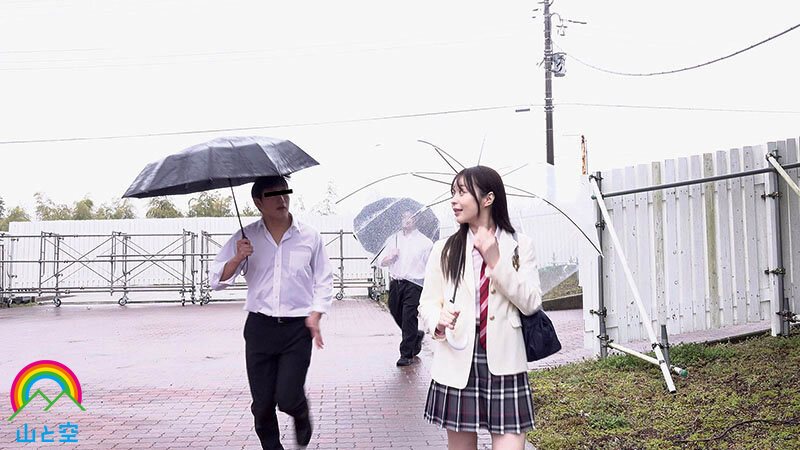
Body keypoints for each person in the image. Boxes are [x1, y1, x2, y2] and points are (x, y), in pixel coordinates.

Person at [418, 166, 542, 450]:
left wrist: (495, 260)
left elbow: (531, 302)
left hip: (506, 359)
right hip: (458, 356)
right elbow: (428, 302)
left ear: (488, 198)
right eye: (453, 192)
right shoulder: (445, 249)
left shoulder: (520, 246)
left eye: (462, 192)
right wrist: (438, 319)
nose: (454, 200)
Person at [209, 176, 333, 450]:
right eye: (273, 194)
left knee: (288, 397)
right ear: (258, 202)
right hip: (260, 328)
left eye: (285, 193)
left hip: (297, 329)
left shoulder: (310, 236)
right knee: (262, 405)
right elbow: (216, 280)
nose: (282, 199)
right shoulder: (245, 237)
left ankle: (300, 412)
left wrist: (316, 314)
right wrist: (237, 258)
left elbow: (324, 279)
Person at [380, 210, 434, 367]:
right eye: (404, 216)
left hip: (414, 283)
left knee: (409, 316)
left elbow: (430, 266)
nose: (407, 219)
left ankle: (406, 354)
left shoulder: (425, 243)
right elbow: (382, 262)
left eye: (411, 216)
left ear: (416, 219)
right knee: (396, 312)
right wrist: (391, 257)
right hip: (396, 283)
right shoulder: (393, 239)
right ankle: (415, 335)